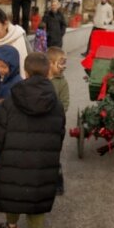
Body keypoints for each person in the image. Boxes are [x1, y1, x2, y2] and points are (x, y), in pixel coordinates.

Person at [0, 52, 65, 228]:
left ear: (25, 71)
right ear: (47, 71)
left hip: (13, 158)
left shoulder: (12, 100)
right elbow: (59, 134)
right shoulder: (55, 103)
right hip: (42, 162)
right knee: (36, 198)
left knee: (14, 192)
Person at [47, 46, 70, 195]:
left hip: (55, 126)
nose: (64, 66)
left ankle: (57, 181)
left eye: (64, 63)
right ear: (49, 63)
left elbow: (65, 103)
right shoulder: (39, 79)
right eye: (60, 63)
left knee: (54, 155)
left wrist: (55, 116)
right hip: (39, 126)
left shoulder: (62, 82)